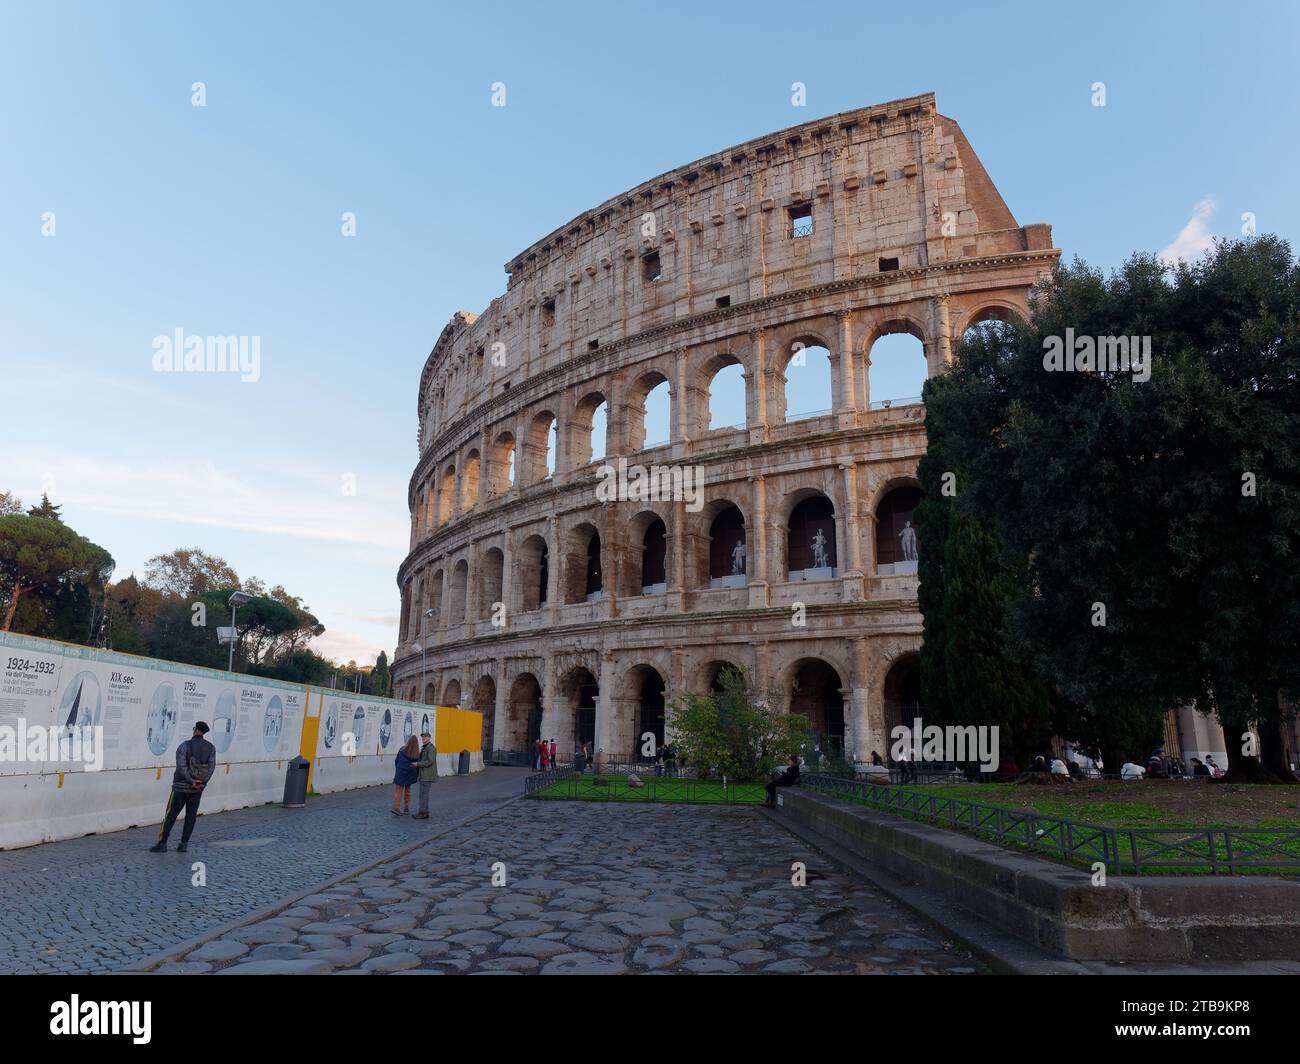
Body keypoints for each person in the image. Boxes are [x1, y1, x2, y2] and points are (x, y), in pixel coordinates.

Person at [150, 721, 217, 853]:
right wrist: (201, 783)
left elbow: (181, 767)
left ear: (195, 730)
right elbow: (211, 768)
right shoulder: (211, 748)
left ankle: (162, 843)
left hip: (180, 787)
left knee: (171, 814)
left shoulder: (184, 746)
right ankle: (183, 844)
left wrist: (190, 780)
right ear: (203, 732)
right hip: (197, 789)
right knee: (191, 816)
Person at [413, 730, 437, 818]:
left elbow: (430, 761)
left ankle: (422, 813)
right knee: (423, 794)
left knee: (424, 794)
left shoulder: (431, 748)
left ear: (429, 738)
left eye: (425, 737)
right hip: (424, 774)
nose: (423, 738)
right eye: (422, 737)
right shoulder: (425, 747)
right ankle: (424, 812)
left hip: (427, 775)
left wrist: (417, 764)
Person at [392, 735, 418, 815]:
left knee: (398, 790)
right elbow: (417, 765)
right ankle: (406, 809)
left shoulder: (401, 749)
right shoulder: (416, 753)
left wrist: (398, 769)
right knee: (407, 791)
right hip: (409, 774)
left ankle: (396, 807)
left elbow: (396, 761)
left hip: (400, 772)